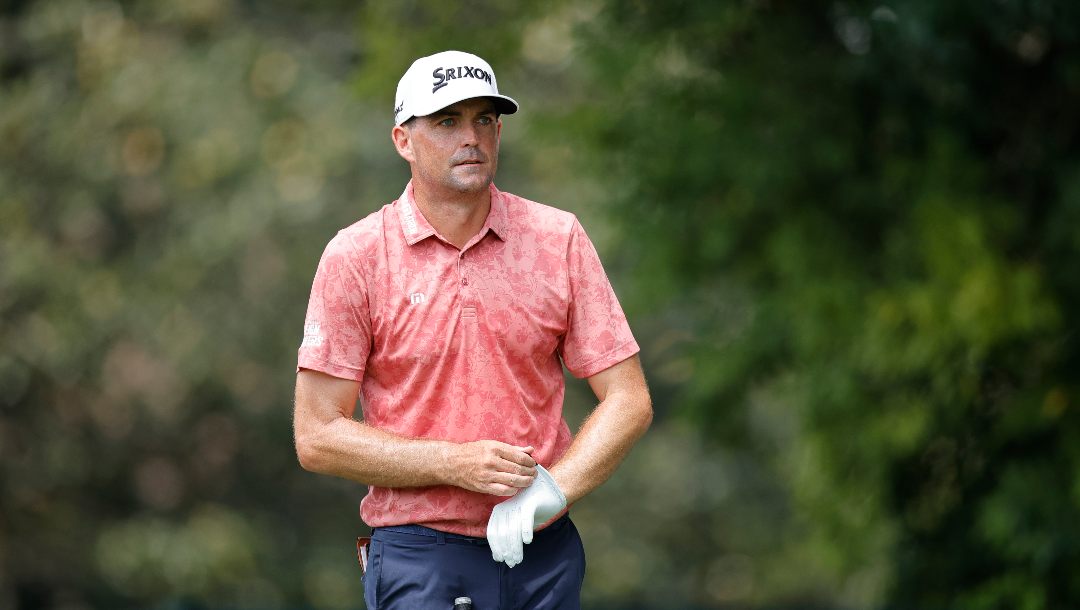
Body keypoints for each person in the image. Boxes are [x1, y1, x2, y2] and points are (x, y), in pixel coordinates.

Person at [292, 50, 652, 609]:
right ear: (402, 140)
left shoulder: (557, 239)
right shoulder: (358, 257)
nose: (473, 137)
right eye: (447, 121)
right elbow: (316, 435)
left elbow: (628, 400)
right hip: (420, 556)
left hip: (544, 551)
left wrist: (549, 495)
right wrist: (453, 463)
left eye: (485, 119)